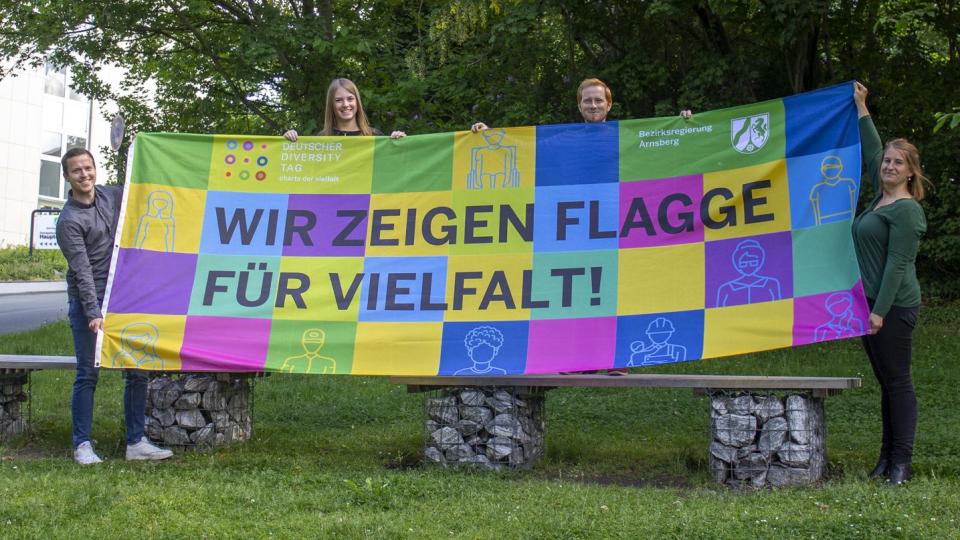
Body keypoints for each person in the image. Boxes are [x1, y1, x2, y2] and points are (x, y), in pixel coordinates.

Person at [471, 79, 692, 376]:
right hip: (578, 226)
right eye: (587, 101)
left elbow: (662, 148)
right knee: (580, 292)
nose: (593, 105)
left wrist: (684, 126)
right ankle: (581, 361)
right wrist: (488, 135)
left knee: (616, 290)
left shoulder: (626, 137)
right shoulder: (567, 139)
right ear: (579, 106)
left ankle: (618, 360)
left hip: (617, 224)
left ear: (609, 104)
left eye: (598, 101)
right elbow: (527, 148)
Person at [56, 147, 174, 465]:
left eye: (88, 168)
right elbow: (80, 271)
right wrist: (93, 314)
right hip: (88, 302)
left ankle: (135, 442)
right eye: (77, 171)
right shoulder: (68, 221)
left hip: (124, 297)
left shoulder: (108, 196)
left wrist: (151, 151)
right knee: (87, 374)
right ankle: (82, 444)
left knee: (137, 370)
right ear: (67, 176)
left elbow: (141, 187)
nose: (85, 175)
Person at [852, 81, 927, 486]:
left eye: (899, 163)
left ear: (910, 172)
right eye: (888, 161)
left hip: (893, 307)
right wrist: (862, 108)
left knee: (898, 381)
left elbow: (898, 265)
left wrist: (879, 312)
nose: (889, 166)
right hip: (871, 304)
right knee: (886, 382)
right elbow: (871, 150)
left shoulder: (906, 211)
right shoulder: (879, 199)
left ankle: (902, 463)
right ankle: (885, 458)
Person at [283, 78, 405, 140]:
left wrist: (399, 143)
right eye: (338, 100)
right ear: (331, 105)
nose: (345, 104)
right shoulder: (321, 139)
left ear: (357, 102)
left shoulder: (374, 136)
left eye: (350, 98)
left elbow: (393, 168)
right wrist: (290, 142)